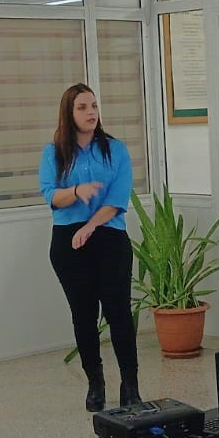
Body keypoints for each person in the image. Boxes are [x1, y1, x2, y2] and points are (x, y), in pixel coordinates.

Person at [40, 83, 140, 412]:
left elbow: (118, 198)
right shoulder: (53, 152)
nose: (91, 112)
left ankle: (130, 385)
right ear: (69, 113)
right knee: (83, 315)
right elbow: (50, 195)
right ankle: (95, 383)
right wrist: (76, 191)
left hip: (108, 236)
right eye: (82, 107)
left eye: (94, 105)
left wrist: (90, 226)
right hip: (68, 242)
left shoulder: (116, 150)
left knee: (119, 313)